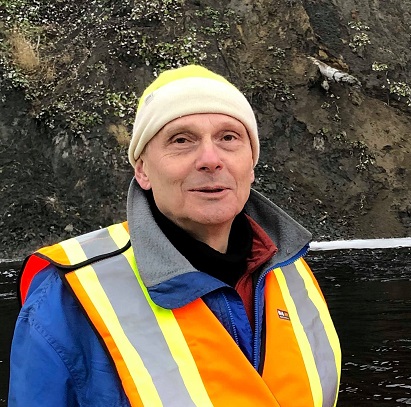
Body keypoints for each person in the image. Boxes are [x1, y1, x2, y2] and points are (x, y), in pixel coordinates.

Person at [10, 65, 341, 406]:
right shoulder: (67, 296)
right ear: (143, 170)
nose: (211, 160)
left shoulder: (292, 270)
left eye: (229, 138)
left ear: (251, 163)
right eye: (182, 140)